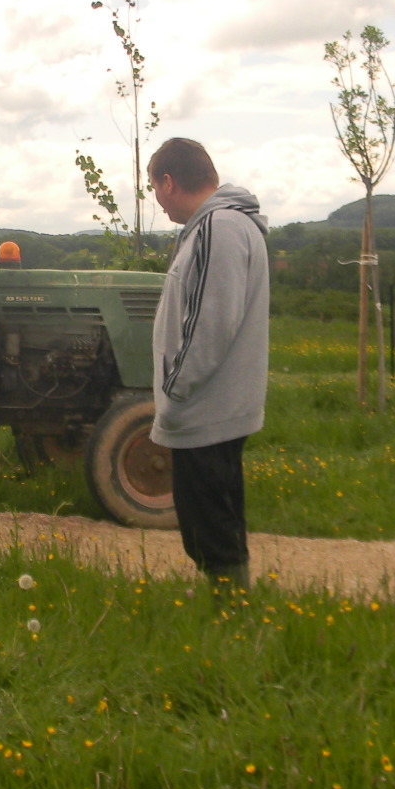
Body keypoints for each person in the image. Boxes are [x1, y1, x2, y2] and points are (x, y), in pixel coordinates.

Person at [147, 137, 269, 590]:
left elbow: (211, 321)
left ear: (169, 181)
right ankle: (231, 603)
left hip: (205, 407)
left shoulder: (220, 227)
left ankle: (232, 612)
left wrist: (175, 390)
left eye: (154, 188)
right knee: (215, 517)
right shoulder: (221, 226)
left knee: (209, 522)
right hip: (214, 405)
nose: (157, 201)